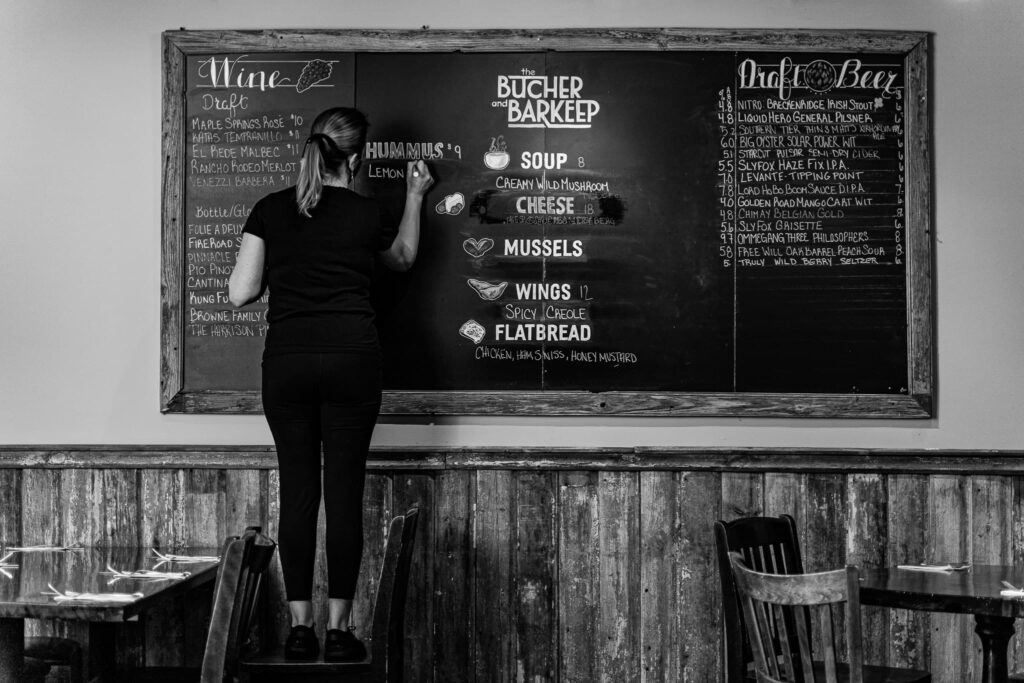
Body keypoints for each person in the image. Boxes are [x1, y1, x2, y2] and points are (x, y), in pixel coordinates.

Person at [228, 107, 433, 661]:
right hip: (353, 362)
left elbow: (239, 294)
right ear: (358, 159)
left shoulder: (270, 209)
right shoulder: (365, 214)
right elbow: (404, 258)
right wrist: (414, 196)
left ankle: (299, 630)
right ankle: (339, 632)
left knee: (298, 493)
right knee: (343, 495)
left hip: (288, 366)